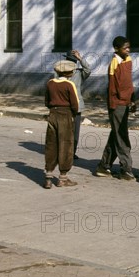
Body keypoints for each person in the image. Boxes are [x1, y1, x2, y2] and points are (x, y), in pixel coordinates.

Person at [94, 36, 136, 181]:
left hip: (125, 103)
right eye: (125, 48)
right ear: (117, 49)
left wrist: (132, 100)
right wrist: (114, 106)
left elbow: (129, 83)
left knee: (116, 135)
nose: (128, 50)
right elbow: (114, 88)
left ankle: (104, 166)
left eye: (129, 47)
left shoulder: (127, 61)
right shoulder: (114, 63)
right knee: (122, 137)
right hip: (117, 104)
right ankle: (126, 169)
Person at [44, 60, 80, 189]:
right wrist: (73, 115)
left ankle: (48, 177)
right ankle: (63, 178)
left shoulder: (50, 83)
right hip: (65, 115)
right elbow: (75, 104)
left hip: (52, 114)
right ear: (69, 73)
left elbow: (47, 102)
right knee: (65, 145)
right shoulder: (69, 85)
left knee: (51, 144)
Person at [61, 50, 92, 159]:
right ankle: (63, 151)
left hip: (76, 106)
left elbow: (88, 69)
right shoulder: (60, 73)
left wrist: (80, 58)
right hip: (64, 105)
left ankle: (71, 152)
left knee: (75, 131)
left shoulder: (79, 73)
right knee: (65, 130)